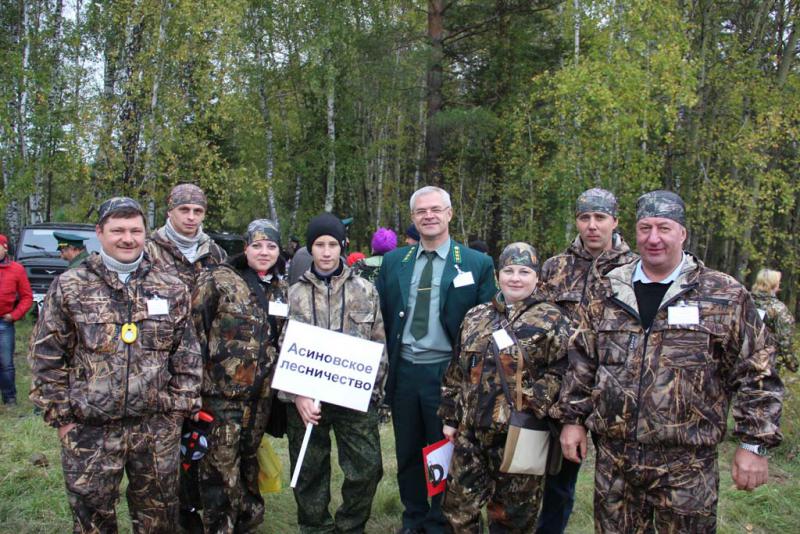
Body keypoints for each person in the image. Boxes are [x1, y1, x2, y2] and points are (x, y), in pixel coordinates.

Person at [558, 190, 784, 532]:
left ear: (682, 233)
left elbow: (758, 370)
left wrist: (753, 443)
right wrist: (572, 420)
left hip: (687, 468)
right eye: (645, 228)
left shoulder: (723, 295)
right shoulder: (607, 290)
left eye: (663, 228)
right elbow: (583, 361)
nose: (653, 238)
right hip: (616, 464)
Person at [29, 196, 202, 533]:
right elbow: (46, 355)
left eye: (135, 230)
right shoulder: (72, 286)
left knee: (158, 520)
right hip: (89, 430)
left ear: (145, 233)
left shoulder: (170, 287)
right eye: (118, 230)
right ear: (100, 233)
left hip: (155, 430)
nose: (128, 238)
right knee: (92, 519)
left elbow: (188, 355)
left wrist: (176, 413)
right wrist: (64, 419)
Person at [377, 186, 496, 534]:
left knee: (442, 452)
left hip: (447, 374)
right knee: (409, 452)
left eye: (435, 209)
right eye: (421, 211)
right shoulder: (394, 261)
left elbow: (486, 325)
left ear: (449, 214)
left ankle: (439, 520)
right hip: (406, 372)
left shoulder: (475, 263)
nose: (429, 216)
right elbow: (383, 315)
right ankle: (412, 518)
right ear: (413, 218)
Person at [439, 242, 570, 532]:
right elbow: (456, 368)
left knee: (512, 519)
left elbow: (564, 371)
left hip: (521, 435)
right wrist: (450, 417)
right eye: (509, 270)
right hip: (471, 435)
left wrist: (531, 401)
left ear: (537, 277)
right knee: (458, 512)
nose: (516, 278)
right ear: (498, 275)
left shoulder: (552, 319)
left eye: (524, 271)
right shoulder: (476, 316)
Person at [536, 188, 636, 534]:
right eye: (584, 218)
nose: (592, 226)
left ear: (615, 221)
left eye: (600, 218)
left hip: (618, 392)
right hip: (564, 392)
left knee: (620, 488)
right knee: (557, 480)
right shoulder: (556, 268)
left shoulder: (635, 269)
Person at [282, 212, 388, 533]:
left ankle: (350, 526)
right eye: (319, 245)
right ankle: (315, 527)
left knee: (367, 469)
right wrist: (295, 394)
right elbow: (282, 347)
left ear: (343, 246)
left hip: (354, 397)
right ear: (310, 249)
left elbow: (379, 342)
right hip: (307, 401)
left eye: (332, 244)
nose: (326, 252)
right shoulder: (293, 293)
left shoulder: (365, 290)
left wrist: (373, 391)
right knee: (310, 471)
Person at [191, 219, 288, 533]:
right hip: (221, 397)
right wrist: (191, 391)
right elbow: (195, 334)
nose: (264, 252)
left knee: (248, 463)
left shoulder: (281, 289)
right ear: (245, 248)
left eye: (270, 246)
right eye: (257, 245)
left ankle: (246, 521)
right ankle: (219, 526)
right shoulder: (218, 280)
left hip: (260, 399)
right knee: (219, 469)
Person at [145, 182, 227, 291]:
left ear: (204, 215)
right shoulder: (147, 251)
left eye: (198, 211)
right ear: (170, 211)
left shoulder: (215, 253)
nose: (191, 217)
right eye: (184, 210)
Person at [0, 234, 33, 405]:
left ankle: (9, 398)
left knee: (5, 363)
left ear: (5, 248)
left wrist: (14, 315)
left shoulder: (16, 269)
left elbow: (27, 297)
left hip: (4, 323)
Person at [751, 268, 798, 373]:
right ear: (774, 284)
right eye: (778, 282)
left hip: (736, 361)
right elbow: (785, 342)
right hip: (765, 366)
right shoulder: (779, 309)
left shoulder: (744, 301)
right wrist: (793, 364)